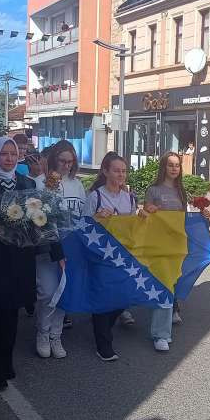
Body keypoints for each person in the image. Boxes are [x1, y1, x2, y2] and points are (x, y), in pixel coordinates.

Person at [0, 137, 63, 391]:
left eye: (12, 154)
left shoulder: (26, 183)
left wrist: (53, 246)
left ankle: (6, 362)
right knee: (0, 314)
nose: (9, 158)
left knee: (13, 312)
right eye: (3, 154)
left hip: (21, 257)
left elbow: (41, 217)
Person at [31, 140, 86, 358]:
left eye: (70, 162)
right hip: (47, 247)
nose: (66, 166)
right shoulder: (39, 183)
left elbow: (83, 216)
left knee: (64, 292)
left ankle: (56, 335)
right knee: (47, 292)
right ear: (53, 159)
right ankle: (43, 333)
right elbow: (35, 217)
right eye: (62, 161)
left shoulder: (77, 184)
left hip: (71, 246)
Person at [86, 155, 136, 361]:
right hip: (101, 256)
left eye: (123, 171)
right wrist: (97, 218)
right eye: (116, 170)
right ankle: (103, 345)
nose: (121, 175)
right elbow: (85, 226)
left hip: (123, 255)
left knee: (122, 296)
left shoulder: (130, 198)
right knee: (102, 299)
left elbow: (134, 227)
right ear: (105, 172)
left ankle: (104, 324)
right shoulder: (95, 197)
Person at [140, 152, 190, 351]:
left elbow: (184, 217)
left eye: (177, 165)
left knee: (171, 283)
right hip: (158, 244)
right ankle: (161, 334)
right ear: (164, 167)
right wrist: (149, 209)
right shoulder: (153, 189)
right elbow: (144, 214)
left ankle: (165, 322)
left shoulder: (181, 191)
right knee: (164, 285)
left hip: (176, 243)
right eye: (170, 165)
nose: (174, 168)